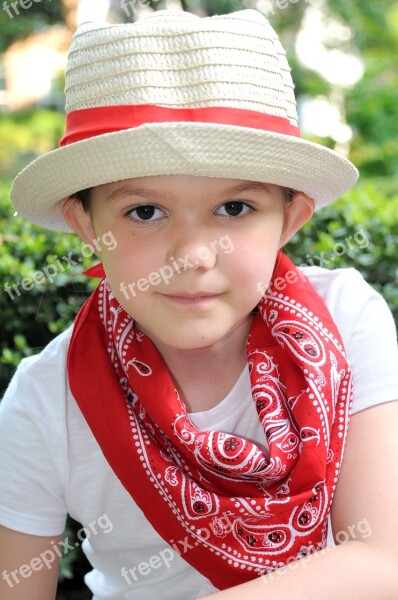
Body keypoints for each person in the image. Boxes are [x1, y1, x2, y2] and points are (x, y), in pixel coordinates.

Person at [1, 8, 398, 600]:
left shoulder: (345, 318)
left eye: (235, 209)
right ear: (85, 223)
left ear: (290, 218)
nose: (192, 255)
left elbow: (381, 561)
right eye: (144, 212)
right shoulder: (44, 402)